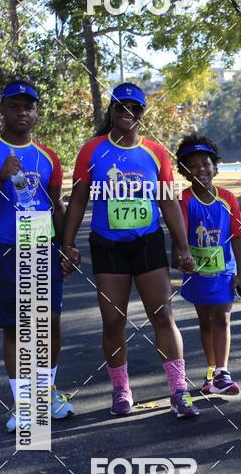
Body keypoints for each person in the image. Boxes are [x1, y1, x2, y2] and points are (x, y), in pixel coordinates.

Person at [62, 83, 200, 419]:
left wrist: (182, 247)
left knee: (163, 316)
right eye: (121, 107)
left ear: (142, 113)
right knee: (113, 320)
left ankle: (179, 391)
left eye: (135, 108)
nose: (128, 114)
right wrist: (68, 244)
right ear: (111, 111)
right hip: (108, 245)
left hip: (147, 242)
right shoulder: (93, 150)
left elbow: (167, 201)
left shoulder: (155, 152)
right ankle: (122, 390)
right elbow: (79, 199)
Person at [0, 80, 74, 431]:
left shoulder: (48, 157)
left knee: (49, 322)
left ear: (36, 112)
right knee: (16, 326)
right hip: (2, 245)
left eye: (29, 106)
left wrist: (68, 244)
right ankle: (23, 403)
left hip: (42, 242)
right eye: (15, 105)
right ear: (2, 110)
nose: (22, 111)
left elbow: (56, 205)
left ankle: (47, 391)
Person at [174, 134, 241, 395]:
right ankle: (211, 371)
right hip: (197, 273)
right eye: (192, 166)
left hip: (224, 272)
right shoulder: (184, 200)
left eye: (205, 163)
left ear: (216, 167)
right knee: (205, 322)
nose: (200, 169)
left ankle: (223, 372)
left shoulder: (228, 199)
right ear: (184, 172)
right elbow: (178, 233)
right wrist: (180, 257)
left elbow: (237, 238)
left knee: (223, 319)